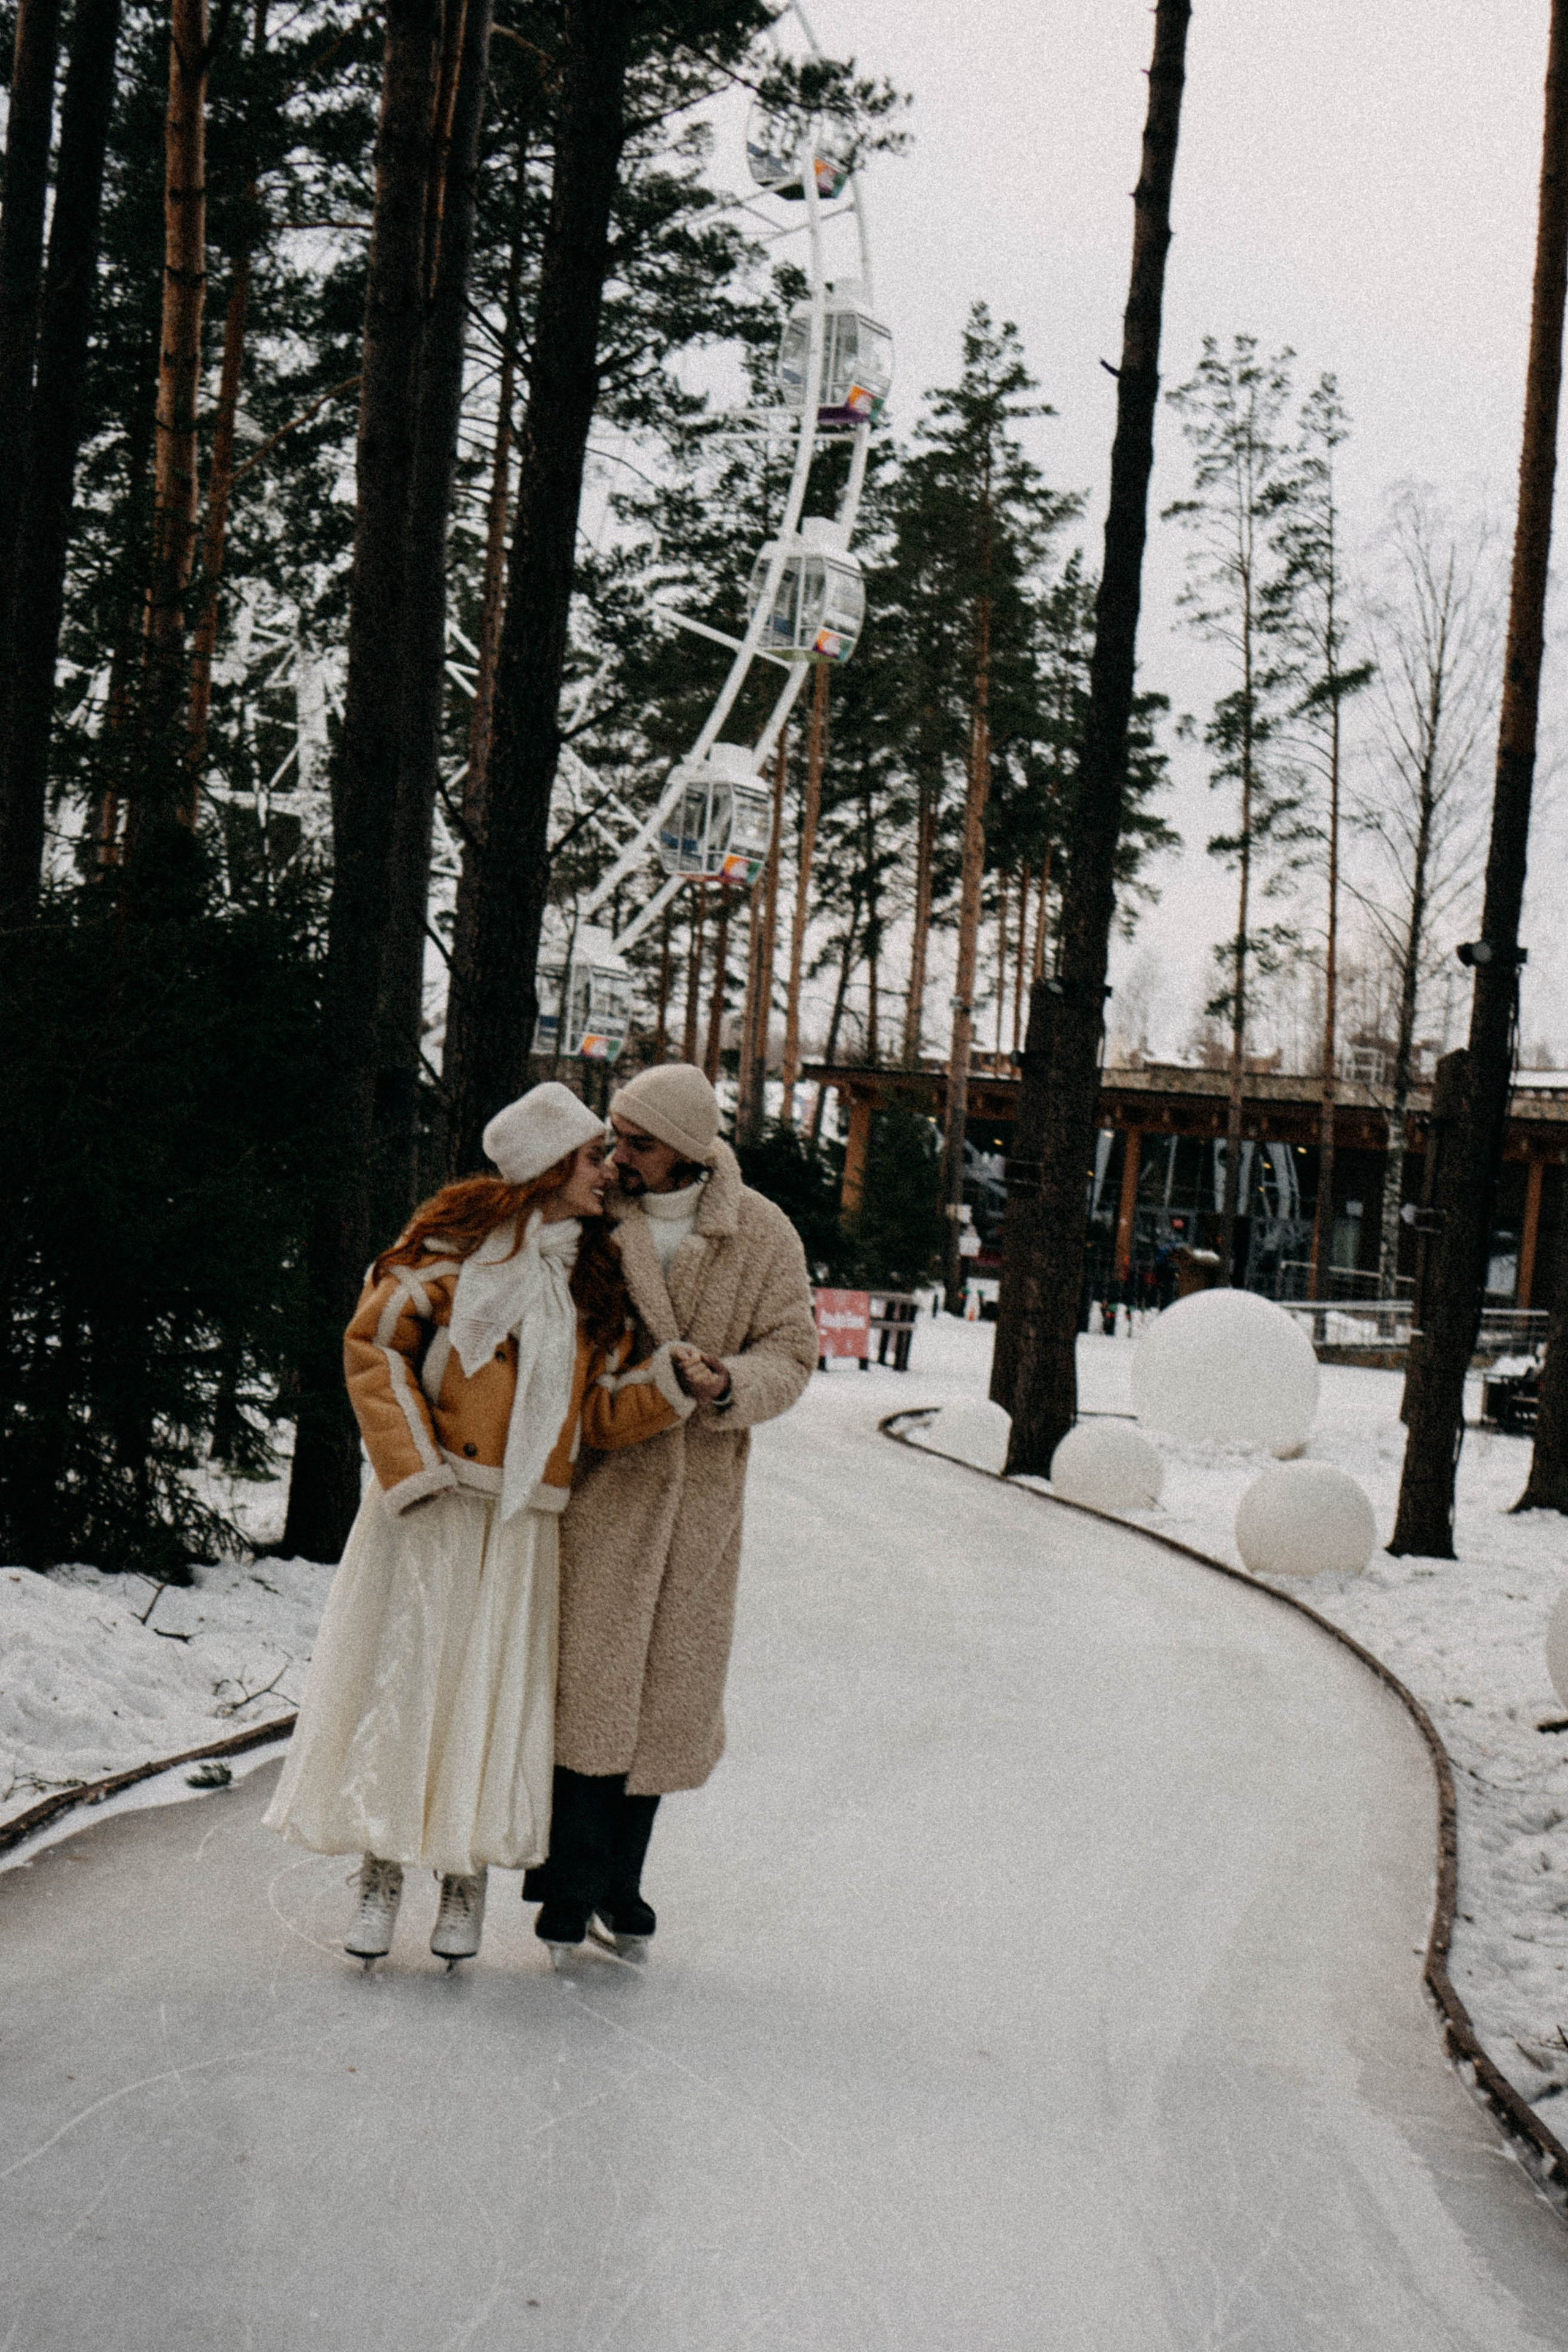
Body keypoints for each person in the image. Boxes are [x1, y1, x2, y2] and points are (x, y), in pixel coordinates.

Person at [264, 1082, 698, 1970]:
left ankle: (465, 1882)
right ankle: (382, 1871)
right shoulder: (447, 1257)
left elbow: (601, 1413)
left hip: (524, 1525)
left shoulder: (594, 1271)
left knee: (490, 1700)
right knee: (408, 1685)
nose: (607, 1172)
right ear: (545, 1168)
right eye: (590, 1158)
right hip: (434, 1509)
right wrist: (412, 1468)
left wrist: (673, 1385)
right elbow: (372, 1344)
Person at [523, 1062, 818, 1963]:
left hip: (699, 1498)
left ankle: (623, 1881)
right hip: (605, 1485)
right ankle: (570, 1884)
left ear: (688, 1152)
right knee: (591, 1686)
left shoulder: (760, 1233)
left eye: (638, 1143)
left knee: (665, 1694)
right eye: (615, 1137)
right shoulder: (594, 1218)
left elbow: (794, 1351)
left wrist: (729, 1383)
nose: (618, 1156)